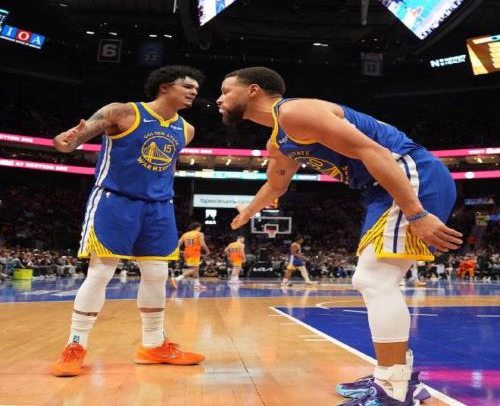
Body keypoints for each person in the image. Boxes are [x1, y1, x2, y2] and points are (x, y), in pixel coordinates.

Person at [217, 66, 462, 405]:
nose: (219, 99)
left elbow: (375, 152)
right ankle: (395, 377)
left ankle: (393, 388)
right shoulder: (279, 139)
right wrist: (247, 213)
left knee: (375, 279)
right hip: (380, 188)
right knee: (374, 279)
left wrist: (416, 213)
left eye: (225, 91)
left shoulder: (294, 111)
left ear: (253, 90)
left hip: (408, 173)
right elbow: (276, 185)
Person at [50, 65, 206, 377]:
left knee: (157, 274)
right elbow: (67, 144)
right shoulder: (121, 112)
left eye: (196, 89)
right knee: (101, 272)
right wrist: (63, 140)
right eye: (187, 86)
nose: (194, 92)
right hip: (115, 200)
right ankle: (75, 345)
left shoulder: (186, 129)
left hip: (159, 206)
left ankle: (153, 345)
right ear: (165, 86)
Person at [171, 222, 210, 290]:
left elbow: (179, 243)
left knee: (195, 269)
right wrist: (207, 251)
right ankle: (176, 279)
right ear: (198, 227)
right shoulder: (199, 234)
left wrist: (176, 251)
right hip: (194, 253)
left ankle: (197, 285)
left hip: (186, 253)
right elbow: (202, 244)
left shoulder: (185, 234)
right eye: (200, 227)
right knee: (194, 269)